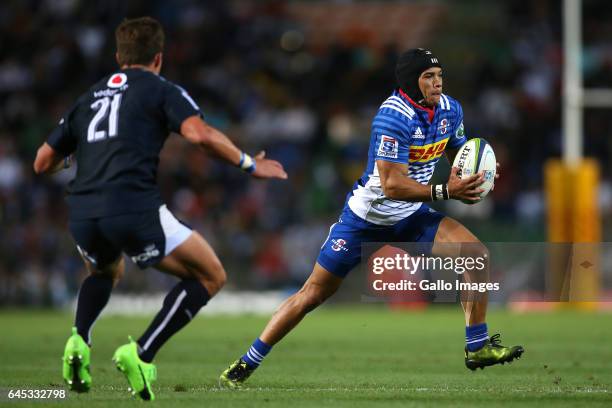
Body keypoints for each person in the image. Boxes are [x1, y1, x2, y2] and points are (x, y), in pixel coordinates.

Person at [219, 48, 523, 387]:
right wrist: (447, 191)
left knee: (476, 257)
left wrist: (479, 174)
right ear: (410, 81)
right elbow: (392, 186)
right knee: (313, 294)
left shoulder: (451, 110)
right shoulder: (393, 116)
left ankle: (477, 347)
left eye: (439, 76)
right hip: (366, 219)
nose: (437, 83)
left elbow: (460, 155)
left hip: (410, 216)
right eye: (428, 77)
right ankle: (248, 361)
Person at [33, 16, 287, 401]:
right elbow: (199, 134)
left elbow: (42, 162)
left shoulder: (89, 96)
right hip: (132, 206)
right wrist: (250, 164)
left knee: (105, 269)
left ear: (119, 56)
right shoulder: (161, 89)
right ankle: (140, 353)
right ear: (158, 58)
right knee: (210, 275)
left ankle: (78, 342)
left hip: (83, 212)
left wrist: (71, 159)